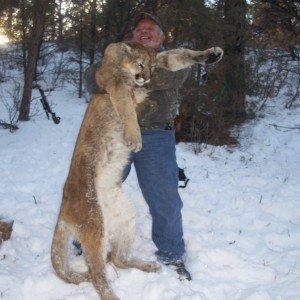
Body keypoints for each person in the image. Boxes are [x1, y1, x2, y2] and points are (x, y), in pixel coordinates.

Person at [83, 12, 191, 281]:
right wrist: (112, 72)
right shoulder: (115, 56)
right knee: (98, 190)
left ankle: (171, 253)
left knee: (164, 198)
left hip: (155, 137)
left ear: (161, 37)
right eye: (140, 28)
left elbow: (153, 77)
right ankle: (85, 244)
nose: (145, 31)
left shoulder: (176, 61)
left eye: (152, 28)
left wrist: (116, 75)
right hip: (115, 134)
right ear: (133, 36)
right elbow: (89, 80)